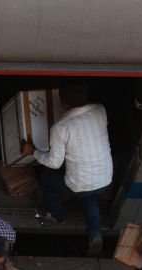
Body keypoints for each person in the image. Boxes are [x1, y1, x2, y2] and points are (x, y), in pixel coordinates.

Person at [21, 82, 113, 256]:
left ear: (62, 103)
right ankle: (95, 232)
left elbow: (54, 163)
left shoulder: (61, 127)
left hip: (79, 183)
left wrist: (33, 151)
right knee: (90, 194)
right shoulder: (100, 110)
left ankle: (57, 216)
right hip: (104, 178)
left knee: (48, 179)